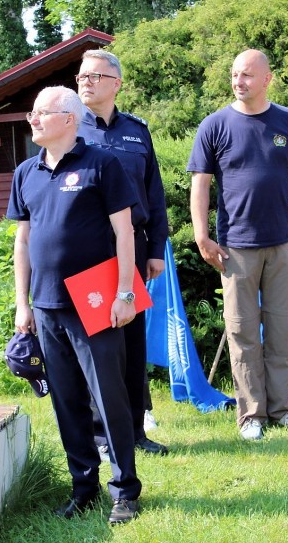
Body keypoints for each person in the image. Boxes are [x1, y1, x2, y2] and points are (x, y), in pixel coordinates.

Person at [7, 86, 142, 525]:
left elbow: (124, 233)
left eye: (41, 113)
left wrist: (125, 293)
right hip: (45, 307)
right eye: (32, 113)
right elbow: (22, 241)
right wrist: (21, 304)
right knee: (66, 401)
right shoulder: (26, 171)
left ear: (68, 118)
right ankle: (83, 487)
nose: (33, 120)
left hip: (95, 302)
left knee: (109, 398)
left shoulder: (102, 164)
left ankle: (124, 490)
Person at [187, 49, 288, 441]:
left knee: (281, 331)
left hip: (283, 247)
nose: (238, 81)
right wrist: (201, 235)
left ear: (267, 79)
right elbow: (201, 184)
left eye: (246, 75)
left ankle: (281, 410)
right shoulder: (214, 125)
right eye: (234, 75)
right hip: (235, 249)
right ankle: (251, 416)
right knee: (243, 333)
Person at [75, 49, 169, 457]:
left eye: (94, 76)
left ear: (116, 83)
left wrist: (158, 249)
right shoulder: (67, 125)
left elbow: (155, 193)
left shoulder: (136, 131)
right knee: (99, 345)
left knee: (132, 345)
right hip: (89, 250)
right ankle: (99, 435)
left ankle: (135, 431)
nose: (85, 82)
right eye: (81, 76)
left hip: (135, 248)